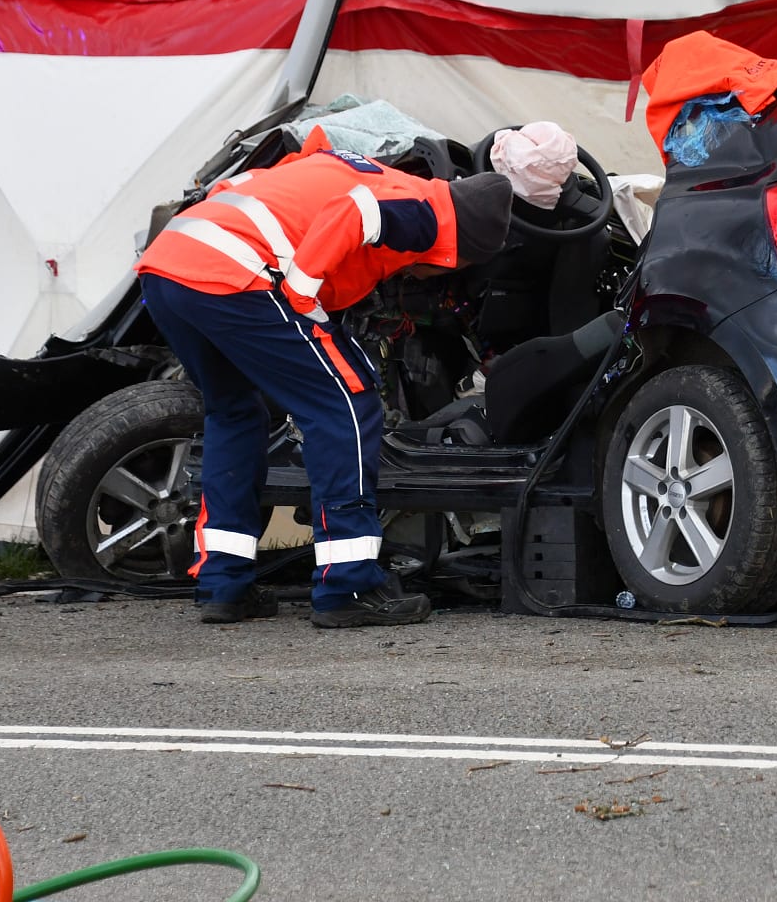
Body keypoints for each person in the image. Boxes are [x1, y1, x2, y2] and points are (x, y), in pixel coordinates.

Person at [135, 137, 513, 628]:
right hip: (238, 274)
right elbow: (354, 214)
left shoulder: (367, 167)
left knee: (234, 412)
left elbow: (260, 184)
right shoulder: (427, 212)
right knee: (346, 402)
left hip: (171, 264)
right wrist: (304, 294)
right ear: (461, 250)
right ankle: (348, 585)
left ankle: (223, 584)